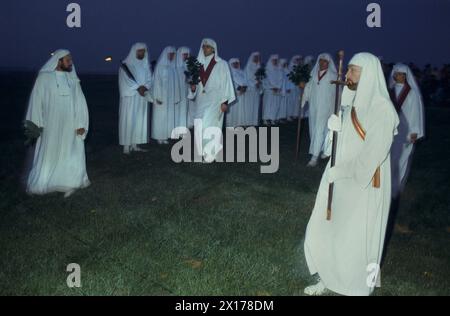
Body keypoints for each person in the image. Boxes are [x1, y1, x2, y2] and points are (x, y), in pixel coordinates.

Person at [303, 53, 399, 296]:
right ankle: (327, 277)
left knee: (356, 237)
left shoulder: (383, 110)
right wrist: (333, 131)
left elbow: (372, 155)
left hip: (363, 183)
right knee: (329, 228)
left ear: (369, 74)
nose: (347, 76)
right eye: (349, 71)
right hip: (339, 176)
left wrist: (343, 171)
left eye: (353, 71)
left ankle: (356, 287)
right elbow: (335, 146)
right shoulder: (350, 101)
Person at [25, 49, 90, 198]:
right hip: (50, 124)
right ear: (58, 61)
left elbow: (80, 103)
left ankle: (70, 183)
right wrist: (35, 124)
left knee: (71, 152)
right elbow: (36, 101)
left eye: (70, 59)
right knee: (49, 153)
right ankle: (43, 182)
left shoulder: (73, 80)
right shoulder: (43, 78)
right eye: (67, 60)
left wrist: (81, 124)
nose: (71, 62)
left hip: (70, 124)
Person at [187, 38, 235, 162]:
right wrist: (193, 89)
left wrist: (225, 102)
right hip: (201, 100)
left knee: (211, 126)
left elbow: (226, 83)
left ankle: (209, 154)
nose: (205, 49)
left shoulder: (221, 63)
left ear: (213, 49)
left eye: (207, 47)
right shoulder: (198, 64)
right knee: (199, 125)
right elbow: (197, 85)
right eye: (203, 46)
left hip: (215, 100)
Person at [389, 63, 425, 197]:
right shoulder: (390, 91)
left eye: (403, 75)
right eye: (398, 74)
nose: (401, 77)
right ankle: (389, 183)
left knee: (402, 157)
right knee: (391, 158)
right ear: (394, 75)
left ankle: (396, 186)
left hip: (407, 130)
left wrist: (414, 130)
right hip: (392, 130)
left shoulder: (411, 93)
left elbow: (416, 112)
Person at [302, 53, 337, 167]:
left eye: (325, 61)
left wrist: (336, 108)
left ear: (329, 63)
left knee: (320, 129)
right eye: (321, 61)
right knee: (314, 128)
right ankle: (322, 149)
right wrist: (303, 99)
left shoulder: (333, 76)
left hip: (326, 107)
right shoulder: (313, 74)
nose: (322, 63)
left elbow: (337, 92)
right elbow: (308, 87)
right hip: (314, 106)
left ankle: (314, 157)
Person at [119, 43, 152, 154]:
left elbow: (149, 78)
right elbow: (125, 80)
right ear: (134, 51)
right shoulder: (126, 64)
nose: (142, 53)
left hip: (141, 97)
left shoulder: (145, 65)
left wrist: (145, 87)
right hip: (130, 97)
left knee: (139, 120)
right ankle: (126, 146)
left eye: (143, 51)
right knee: (129, 120)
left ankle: (135, 144)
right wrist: (137, 88)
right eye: (139, 51)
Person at [151, 46, 181, 144]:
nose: (172, 56)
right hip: (161, 97)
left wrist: (176, 97)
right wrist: (157, 97)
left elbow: (176, 85)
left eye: (173, 54)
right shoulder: (159, 67)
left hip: (170, 97)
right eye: (170, 54)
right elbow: (156, 83)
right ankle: (159, 137)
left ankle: (165, 136)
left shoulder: (173, 68)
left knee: (168, 117)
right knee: (160, 117)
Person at [262, 54, 283, 125]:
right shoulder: (267, 70)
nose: (275, 61)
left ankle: (273, 118)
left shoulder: (279, 70)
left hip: (277, 90)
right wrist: (272, 87)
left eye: (276, 60)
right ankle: (265, 119)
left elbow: (281, 79)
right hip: (269, 90)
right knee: (268, 105)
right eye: (273, 60)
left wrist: (278, 87)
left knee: (275, 105)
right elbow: (265, 81)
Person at [227, 58, 248, 128]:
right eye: (234, 63)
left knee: (241, 109)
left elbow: (245, 81)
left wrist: (244, 88)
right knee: (233, 110)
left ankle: (240, 124)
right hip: (233, 93)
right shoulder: (229, 72)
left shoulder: (241, 72)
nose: (236, 64)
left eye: (237, 63)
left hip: (242, 94)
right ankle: (232, 125)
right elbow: (230, 82)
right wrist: (239, 88)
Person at [243, 52, 263, 126]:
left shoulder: (258, 67)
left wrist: (260, 82)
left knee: (255, 105)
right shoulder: (249, 66)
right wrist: (255, 82)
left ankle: (254, 122)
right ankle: (247, 122)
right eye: (256, 57)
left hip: (256, 89)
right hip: (250, 89)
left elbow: (261, 76)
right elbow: (248, 77)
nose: (257, 58)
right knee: (249, 106)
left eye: (258, 57)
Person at [175, 46, 192, 130]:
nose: (185, 56)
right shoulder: (175, 66)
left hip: (185, 91)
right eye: (184, 55)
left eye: (187, 55)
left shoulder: (187, 66)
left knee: (184, 109)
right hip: (177, 92)